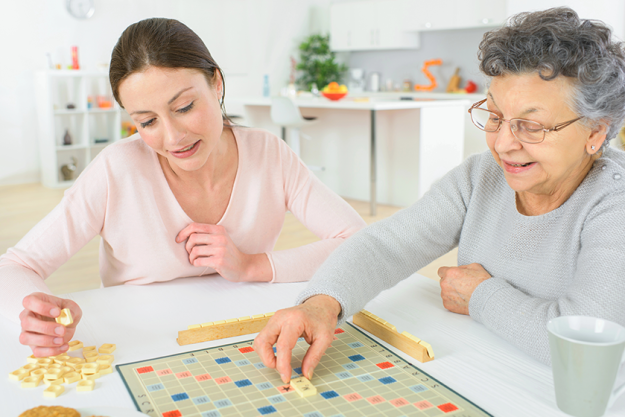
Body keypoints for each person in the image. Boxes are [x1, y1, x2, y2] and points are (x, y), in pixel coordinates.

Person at [254, 7, 625, 383]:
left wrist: (480, 295)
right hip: (481, 369)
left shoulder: (614, 202)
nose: (503, 143)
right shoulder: (482, 175)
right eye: (495, 116)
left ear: (595, 132)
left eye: (530, 126)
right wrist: (321, 304)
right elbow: (387, 246)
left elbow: (586, 346)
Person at [0, 18, 366, 357]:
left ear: (216, 83)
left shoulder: (268, 153)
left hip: (250, 339)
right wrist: (40, 312)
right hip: (140, 347)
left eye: (185, 106)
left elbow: (357, 242)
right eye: (147, 121)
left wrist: (252, 265)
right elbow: (15, 265)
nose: (173, 137)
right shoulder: (117, 169)